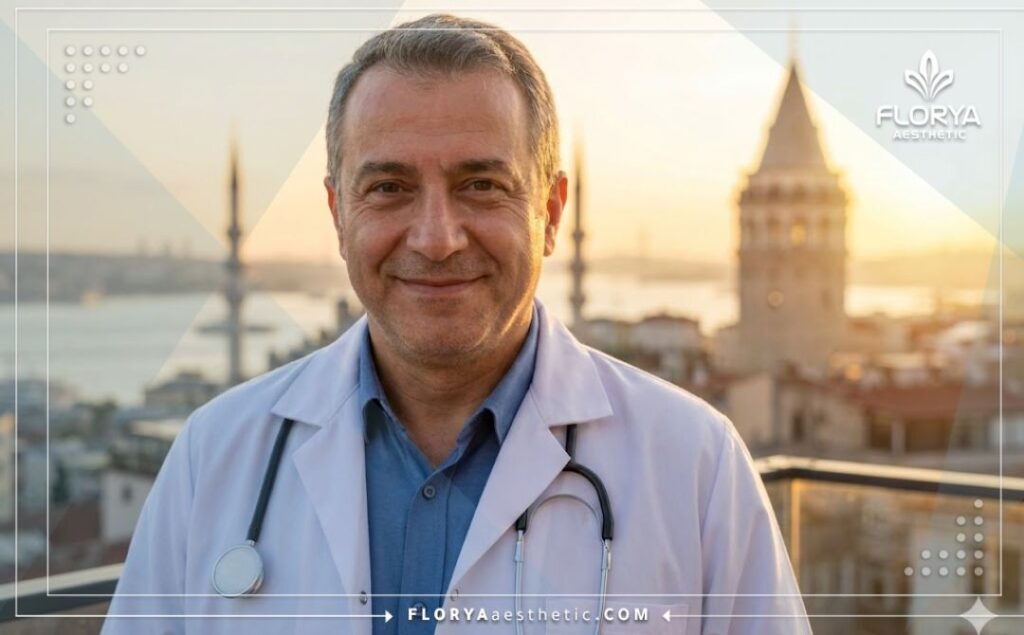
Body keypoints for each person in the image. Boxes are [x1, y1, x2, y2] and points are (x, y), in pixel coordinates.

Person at [103, 13, 811, 635]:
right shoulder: (214, 456)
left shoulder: (695, 465)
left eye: (481, 185)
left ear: (551, 212)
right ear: (338, 214)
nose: (436, 238)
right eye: (389, 187)